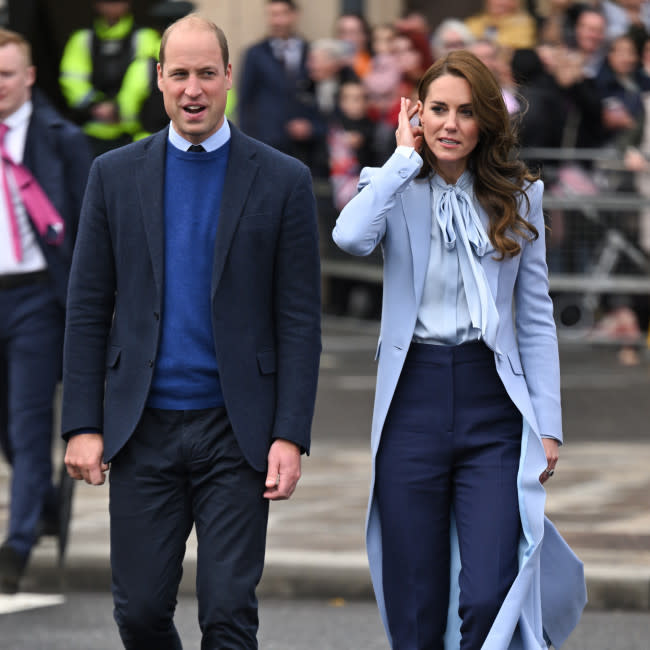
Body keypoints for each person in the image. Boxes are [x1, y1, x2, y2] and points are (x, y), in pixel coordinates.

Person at [61, 13, 320, 648]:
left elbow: (299, 320)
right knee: (142, 613)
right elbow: (89, 306)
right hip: (142, 428)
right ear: (159, 80)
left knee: (229, 613)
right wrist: (82, 424)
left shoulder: (283, 179)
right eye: (179, 74)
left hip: (238, 430)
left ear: (229, 76)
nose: (193, 88)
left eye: (207, 73)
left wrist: (290, 434)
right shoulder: (114, 175)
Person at [332, 50, 586, 649]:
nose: (450, 124)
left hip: (492, 402)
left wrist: (548, 422)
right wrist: (400, 158)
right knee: (415, 596)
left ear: (485, 122)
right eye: (437, 110)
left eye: (466, 112)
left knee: (490, 590)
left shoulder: (521, 196)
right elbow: (348, 236)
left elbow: (534, 319)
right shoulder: (392, 186)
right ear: (416, 115)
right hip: (412, 401)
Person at [0, 28, 92, 593]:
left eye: (6, 74)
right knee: (6, 428)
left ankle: (17, 545)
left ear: (29, 77)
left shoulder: (60, 139)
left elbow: (88, 227)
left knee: (29, 422)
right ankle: (49, 500)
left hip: (38, 296)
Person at [58, 0, 160, 156]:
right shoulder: (82, 38)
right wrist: (96, 105)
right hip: (91, 132)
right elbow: (72, 80)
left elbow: (144, 80)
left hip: (136, 133)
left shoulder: (146, 36)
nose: (112, 5)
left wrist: (119, 108)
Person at [238, 0, 324, 165]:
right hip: (265, 143)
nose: (278, 21)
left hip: (304, 148)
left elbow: (320, 97)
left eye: (283, 14)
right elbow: (245, 101)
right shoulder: (255, 54)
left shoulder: (311, 51)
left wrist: (312, 127)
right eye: (273, 15)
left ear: (294, 15)